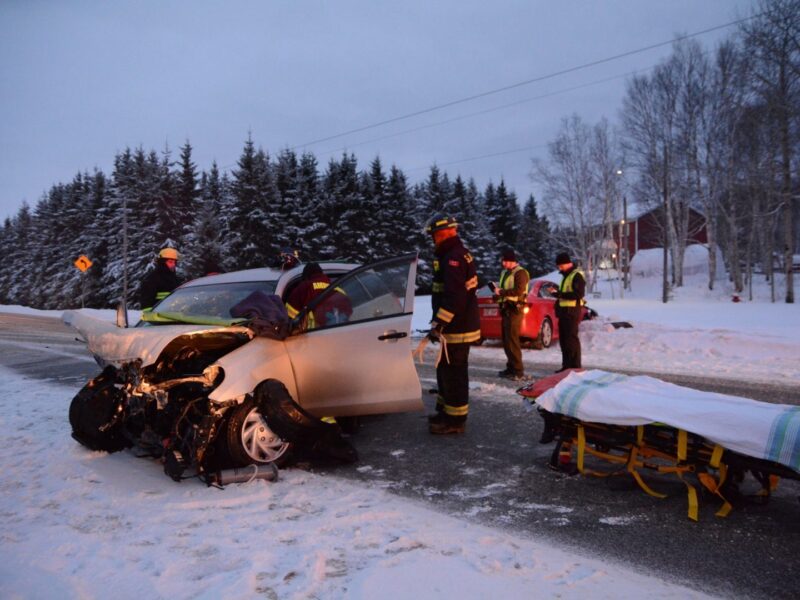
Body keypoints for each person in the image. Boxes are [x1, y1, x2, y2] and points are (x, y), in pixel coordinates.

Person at [425, 215, 481, 435]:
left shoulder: (453, 258)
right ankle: (445, 411)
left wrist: (439, 322)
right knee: (445, 370)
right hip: (456, 326)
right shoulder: (455, 254)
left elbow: (454, 297)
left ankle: (455, 421)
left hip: (457, 327)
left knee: (454, 374)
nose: (433, 240)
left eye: (434, 235)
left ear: (444, 233)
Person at [490, 249, 530, 381]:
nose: (503, 263)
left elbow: (518, 291)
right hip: (506, 309)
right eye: (503, 261)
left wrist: (501, 292)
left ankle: (518, 371)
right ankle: (511, 368)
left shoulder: (521, 273)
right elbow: (504, 291)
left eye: (505, 261)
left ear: (512, 261)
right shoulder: (505, 273)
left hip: (515, 310)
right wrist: (496, 295)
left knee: (512, 341)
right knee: (507, 341)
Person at [285, 262, 351, 329]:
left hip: (314, 336)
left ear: (306, 276)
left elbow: (289, 317)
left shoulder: (303, 288)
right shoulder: (340, 291)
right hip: (341, 334)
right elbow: (349, 314)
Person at [554, 252, 586, 371]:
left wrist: (560, 294)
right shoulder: (566, 276)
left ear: (567, 264)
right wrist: (556, 293)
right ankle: (566, 366)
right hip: (564, 312)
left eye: (560, 265)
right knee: (564, 340)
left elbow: (578, 294)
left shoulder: (576, 275)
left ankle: (575, 367)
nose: (559, 268)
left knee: (571, 339)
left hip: (572, 312)